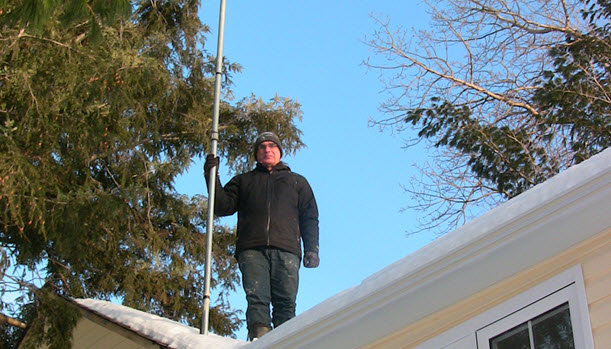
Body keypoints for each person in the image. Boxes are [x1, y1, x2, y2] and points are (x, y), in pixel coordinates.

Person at [204, 131, 320, 341]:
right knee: (257, 298)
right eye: (262, 147)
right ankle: (260, 340)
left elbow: (309, 218)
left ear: (280, 152)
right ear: (256, 154)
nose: (267, 150)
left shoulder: (297, 183)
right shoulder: (243, 181)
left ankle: (287, 342)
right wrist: (212, 177)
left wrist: (312, 249)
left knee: (286, 302)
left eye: (272, 146)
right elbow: (222, 207)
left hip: (287, 250)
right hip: (252, 249)